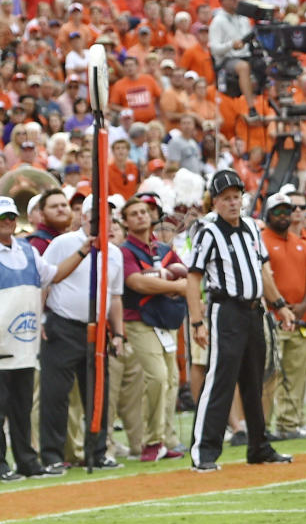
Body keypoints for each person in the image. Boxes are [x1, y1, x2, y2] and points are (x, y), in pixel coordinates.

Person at [186, 170, 295, 471]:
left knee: (253, 381)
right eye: (226, 199)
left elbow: (262, 271)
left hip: (253, 310)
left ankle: (258, 446)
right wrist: (197, 322)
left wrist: (280, 305)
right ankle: (204, 452)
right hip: (226, 310)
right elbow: (193, 279)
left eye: (237, 197)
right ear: (215, 202)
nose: (233, 203)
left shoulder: (250, 227)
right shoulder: (208, 233)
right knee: (220, 379)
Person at [0, 195, 99, 481]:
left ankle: (27, 461)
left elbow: (54, 275)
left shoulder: (28, 251)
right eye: (2, 218)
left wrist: (82, 251)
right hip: (3, 342)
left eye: (9, 217)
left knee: (21, 406)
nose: (7, 222)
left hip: (23, 343)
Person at [39, 195, 125, 473]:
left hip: (97, 329)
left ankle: (97, 452)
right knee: (56, 395)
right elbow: (45, 281)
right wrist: (40, 319)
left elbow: (114, 297)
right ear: (84, 217)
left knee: (98, 392)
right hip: (63, 325)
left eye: (109, 216)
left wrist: (119, 333)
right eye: (98, 215)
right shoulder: (63, 244)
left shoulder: (114, 252)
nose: (104, 220)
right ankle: (52, 455)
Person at [120, 196, 189, 461]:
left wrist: (169, 279)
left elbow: (186, 272)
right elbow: (137, 283)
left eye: (144, 212)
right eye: (134, 213)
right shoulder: (125, 250)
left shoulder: (162, 248)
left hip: (166, 319)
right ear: (125, 222)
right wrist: (174, 285)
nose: (141, 216)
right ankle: (150, 441)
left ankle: (163, 439)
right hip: (139, 319)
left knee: (171, 381)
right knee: (157, 377)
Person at [259, 193, 306, 439]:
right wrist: (279, 305)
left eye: (287, 211)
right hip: (272, 318)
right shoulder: (261, 241)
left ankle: (290, 423)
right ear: (268, 215)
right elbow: (261, 279)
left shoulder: (301, 244)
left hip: (299, 316)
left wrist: (303, 304)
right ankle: (262, 427)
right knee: (270, 374)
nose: (283, 216)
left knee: (296, 372)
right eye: (278, 211)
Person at [208, 0, 256, 110]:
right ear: (223, 1)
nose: (236, 1)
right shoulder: (218, 22)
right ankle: (251, 106)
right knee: (243, 67)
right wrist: (230, 45)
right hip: (227, 59)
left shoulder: (243, 19)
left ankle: (268, 101)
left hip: (246, 54)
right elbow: (214, 49)